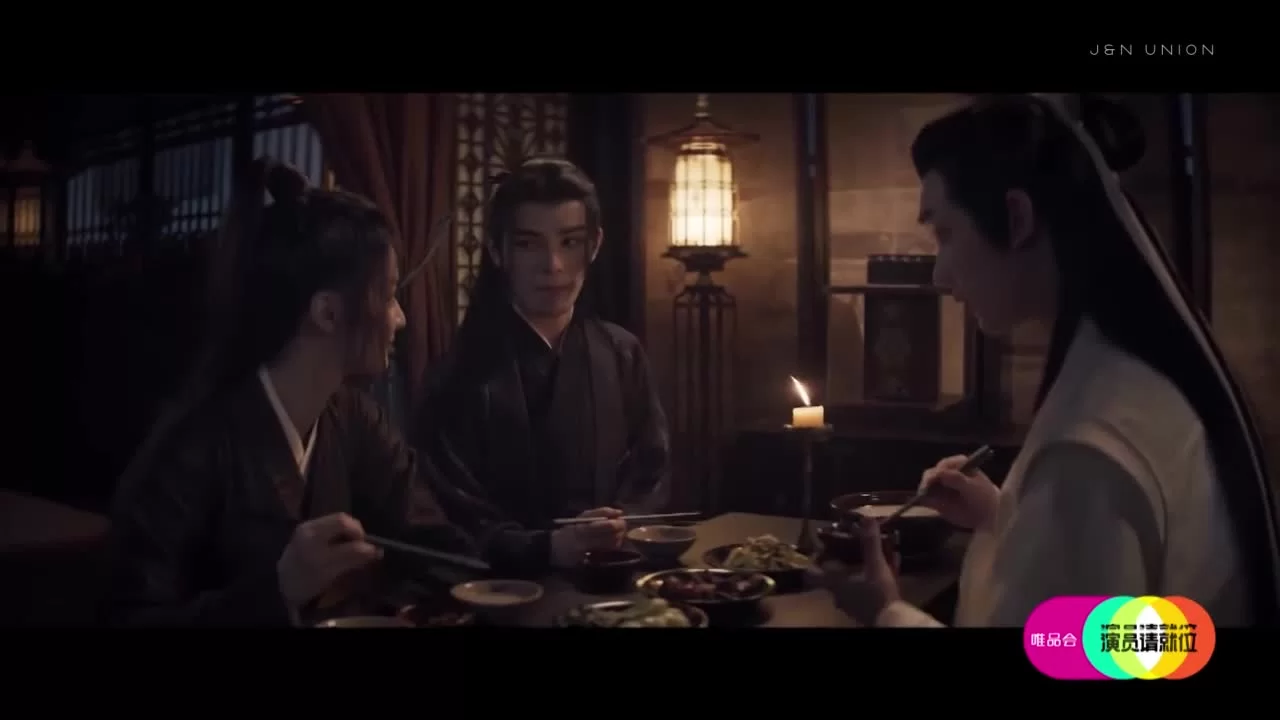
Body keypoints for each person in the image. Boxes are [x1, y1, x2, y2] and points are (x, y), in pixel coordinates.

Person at [820, 94, 1280, 628]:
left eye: (944, 232)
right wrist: (1007, 516)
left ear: (1017, 218)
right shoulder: (1134, 374)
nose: (939, 274)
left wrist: (886, 611)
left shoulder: (1085, 444)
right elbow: (1121, 632)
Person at [103, 159, 479, 627]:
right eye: (386, 296)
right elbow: (129, 617)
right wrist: (280, 588)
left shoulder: (356, 420)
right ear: (327, 313)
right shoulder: (193, 447)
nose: (400, 317)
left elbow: (437, 545)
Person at [415, 157, 670, 575]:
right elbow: (448, 511)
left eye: (570, 242)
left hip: (613, 578)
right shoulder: (456, 375)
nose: (553, 265)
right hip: (504, 590)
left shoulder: (623, 354)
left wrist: (620, 524)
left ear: (595, 245)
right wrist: (545, 548)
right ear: (497, 250)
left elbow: (652, 472)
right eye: (528, 244)